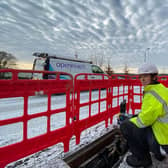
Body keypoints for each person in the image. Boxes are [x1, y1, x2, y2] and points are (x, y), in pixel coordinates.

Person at [120, 63, 168, 167]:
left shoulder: (153, 94)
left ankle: (142, 159)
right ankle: (158, 154)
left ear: (154, 77)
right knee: (135, 121)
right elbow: (151, 115)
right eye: (140, 77)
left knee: (125, 126)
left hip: (163, 142)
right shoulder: (162, 89)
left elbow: (143, 122)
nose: (142, 79)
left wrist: (127, 120)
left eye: (145, 76)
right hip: (164, 133)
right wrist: (134, 117)